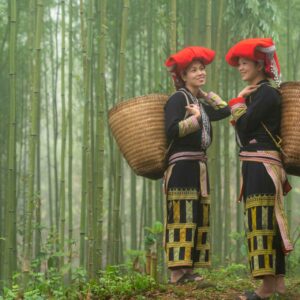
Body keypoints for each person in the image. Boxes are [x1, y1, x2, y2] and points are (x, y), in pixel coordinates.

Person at [225, 38, 293, 300]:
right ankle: (278, 283)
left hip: (260, 165)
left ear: (260, 65)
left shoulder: (265, 93)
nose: (241, 68)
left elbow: (244, 125)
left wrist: (237, 100)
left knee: (261, 220)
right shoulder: (265, 92)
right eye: (239, 63)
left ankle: (264, 288)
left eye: (245, 63)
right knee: (269, 220)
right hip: (264, 164)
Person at [164, 46, 230, 284]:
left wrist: (205, 96)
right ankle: (176, 273)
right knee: (182, 214)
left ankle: (188, 270)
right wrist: (195, 120)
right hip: (181, 166)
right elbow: (171, 130)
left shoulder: (196, 100)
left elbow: (225, 111)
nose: (201, 73)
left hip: (198, 166)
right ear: (183, 76)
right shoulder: (177, 99)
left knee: (197, 214)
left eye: (202, 69)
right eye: (194, 70)